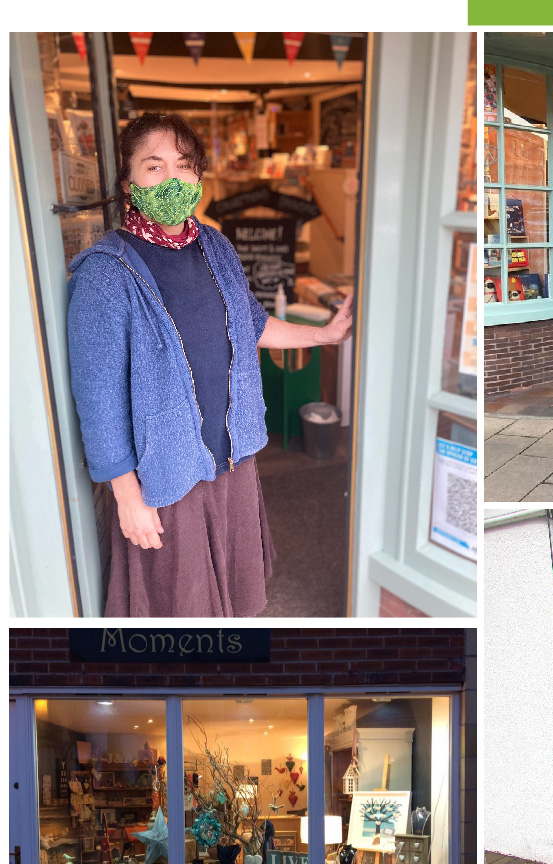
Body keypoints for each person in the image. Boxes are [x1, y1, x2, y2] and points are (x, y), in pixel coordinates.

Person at [67, 112, 353, 616]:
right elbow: (98, 398)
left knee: (234, 596)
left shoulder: (215, 247)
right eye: (153, 167)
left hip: (231, 456)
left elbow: (253, 325)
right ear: (128, 183)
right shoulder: (104, 273)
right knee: (181, 605)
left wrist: (323, 334)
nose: (172, 179)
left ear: (199, 177)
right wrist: (127, 497)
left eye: (184, 165)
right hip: (166, 472)